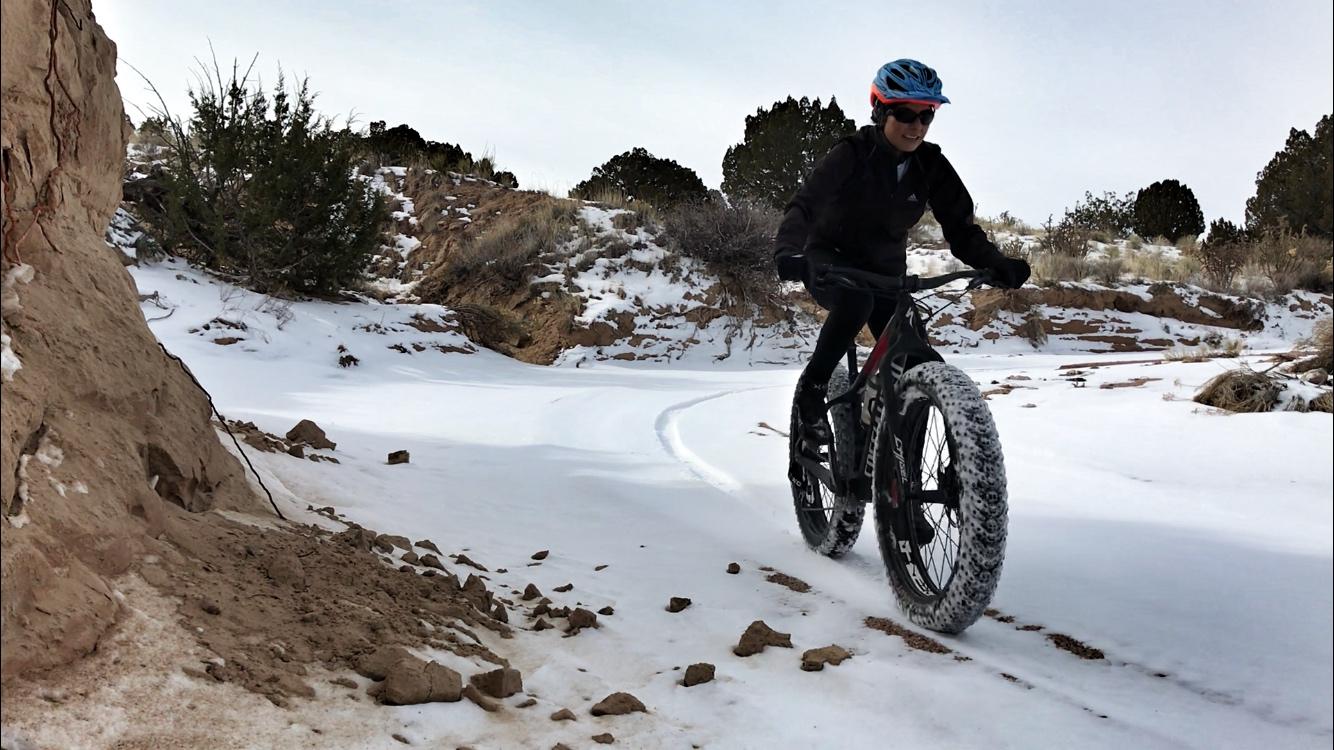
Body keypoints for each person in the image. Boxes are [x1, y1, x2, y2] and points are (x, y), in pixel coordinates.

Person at [774, 58, 1030, 445]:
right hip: (831, 261)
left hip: (886, 273)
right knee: (856, 303)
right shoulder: (852, 153)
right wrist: (789, 251)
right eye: (905, 114)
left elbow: (960, 229)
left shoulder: (931, 165)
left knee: (920, 358)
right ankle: (812, 392)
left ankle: (900, 476)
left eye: (926, 116)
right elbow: (805, 205)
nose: (916, 127)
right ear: (879, 109)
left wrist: (995, 263)